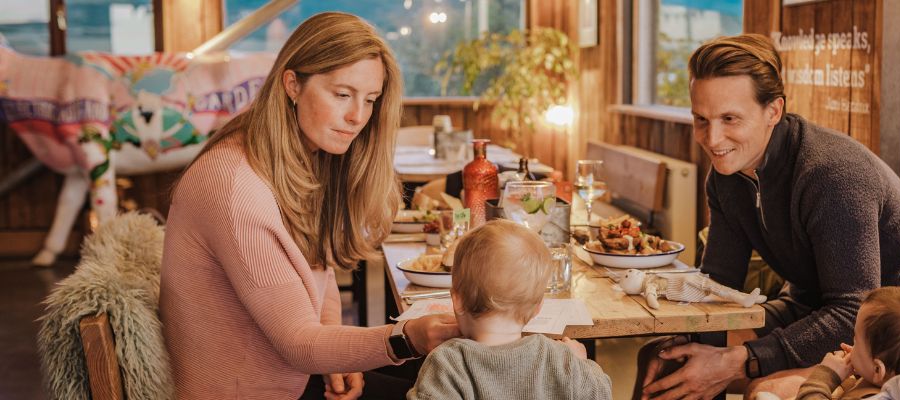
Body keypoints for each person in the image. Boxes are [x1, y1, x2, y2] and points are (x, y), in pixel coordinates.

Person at [160, 12, 460, 399]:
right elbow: (300, 344)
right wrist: (408, 338)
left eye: (369, 100)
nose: (357, 117)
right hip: (251, 390)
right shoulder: (235, 188)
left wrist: (337, 355)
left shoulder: (287, 156)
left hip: (291, 377)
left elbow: (317, 275)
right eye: (341, 94)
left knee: (449, 373)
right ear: (292, 84)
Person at [637, 34, 900, 400]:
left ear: (774, 111)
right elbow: (718, 285)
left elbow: (852, 311)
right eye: (701, 119)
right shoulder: (725, 179)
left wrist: (737, 362)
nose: (712, 137)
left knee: (764, 390)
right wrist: (688, 342)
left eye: (729, 119)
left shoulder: (832, 175)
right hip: (810, 307)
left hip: (897, 338)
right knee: (663, 359)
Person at [406, 220, 612, 399]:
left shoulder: (446, 364)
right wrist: (582, 364)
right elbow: (601, 393)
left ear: (457, 300)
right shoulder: (561, 359)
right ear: (538, 308)